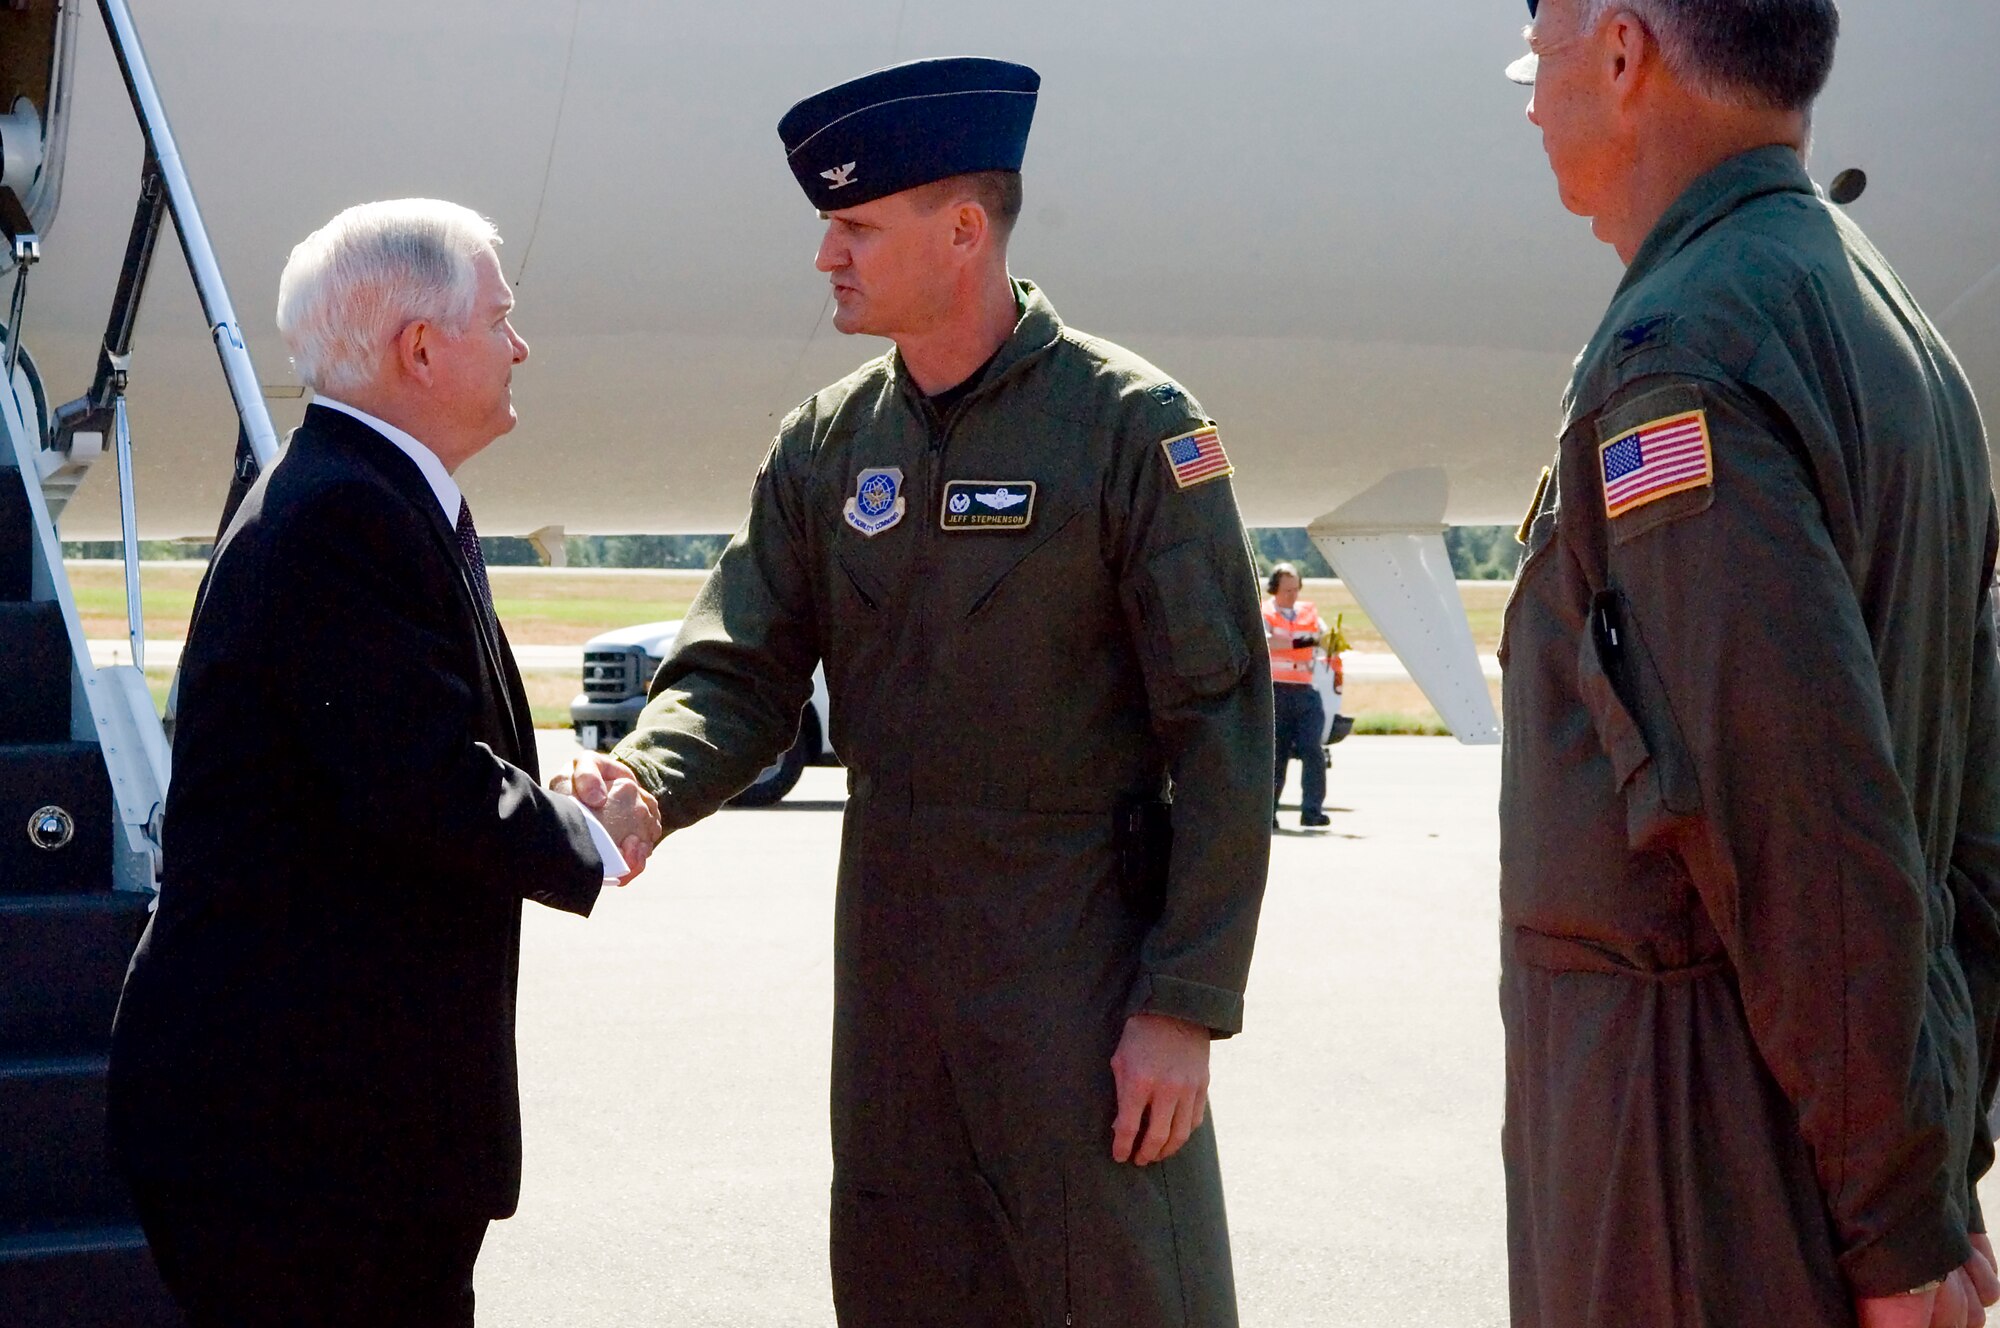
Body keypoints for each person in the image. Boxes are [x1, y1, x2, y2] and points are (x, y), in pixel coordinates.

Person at [553, 57, 1271, 1326]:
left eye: (855, 226)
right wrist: (647, 783)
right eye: (827, 226)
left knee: (1110, 1281)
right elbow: (738, 665)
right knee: (902, 1274)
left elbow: (1220, 726)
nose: (825, 255)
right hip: (891, 961)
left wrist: (1183, 1004)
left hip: (1075, 962)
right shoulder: (827, 442)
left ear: (961, 231)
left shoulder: (1129, 427)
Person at [1498, 2, 2000, 1326]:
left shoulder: (1691, 350)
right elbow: (1972, 818)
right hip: (1811, 1160)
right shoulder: (1886, 322)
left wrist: (1899, 1221)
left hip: (1696, 1175)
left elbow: (1795, 813)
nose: (1527, 100)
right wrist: (1934, 1169)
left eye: (1537, 59)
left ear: (1622, 56)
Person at [106, 199, 662, 1327]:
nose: (519, 346)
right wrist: (594, 835)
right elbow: (417, 780)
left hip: (328, 1132)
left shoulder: (363, 494)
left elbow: (397, 753)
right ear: (420, 347)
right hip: (304, 1145)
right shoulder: (341, 516)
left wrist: (547, 798)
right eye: (500, 319)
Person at [1263, 563, 1329, 829]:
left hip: (1305, 691)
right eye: (1287, 589)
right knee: (1276, 755)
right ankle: (1269, 814)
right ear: (1274, 589)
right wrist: (1305, 642)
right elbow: (1267, 642)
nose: (1292, 595)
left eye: (1295, 589)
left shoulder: (1309, 613)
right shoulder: (1266, 613)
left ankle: (1312, 811)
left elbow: (1325, 637)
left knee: (1312, 750)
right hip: (1276, 693)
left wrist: (1316, 641)